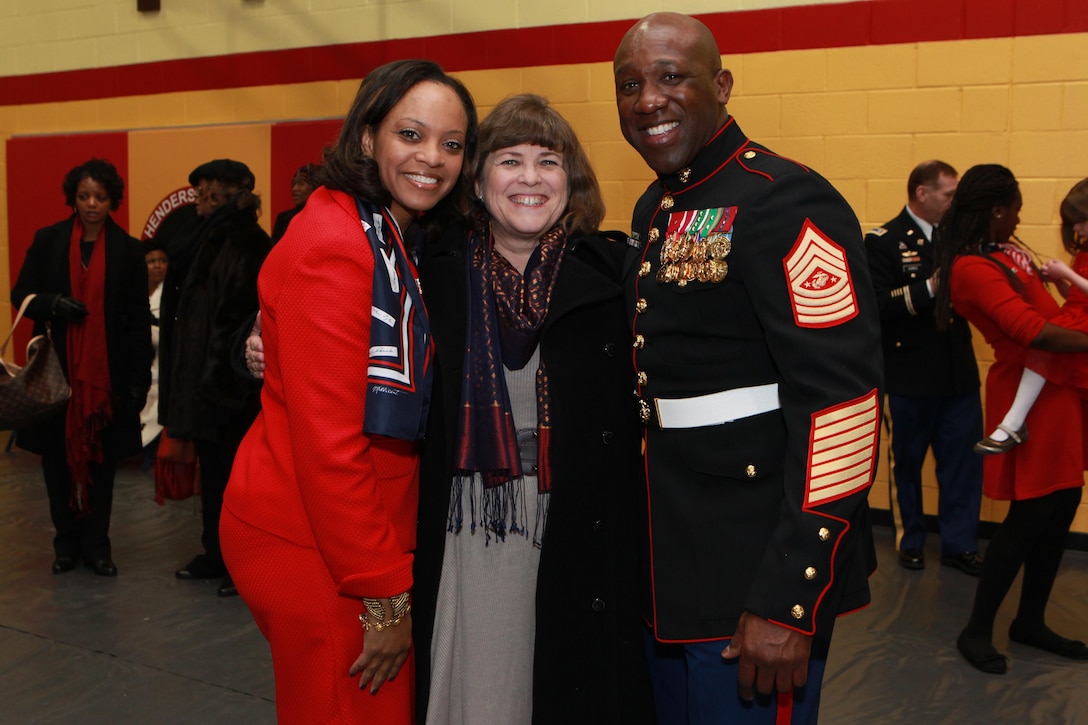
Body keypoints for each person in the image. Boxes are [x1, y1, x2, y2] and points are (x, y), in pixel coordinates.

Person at [613, 13, 883, 723]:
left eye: (672, 77)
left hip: (754, 572)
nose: (648, 99)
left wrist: (791, 597)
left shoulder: (785, 199)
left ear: (722, 85)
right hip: (673, 559)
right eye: (630, 85)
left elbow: (844, 408)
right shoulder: (657, 204)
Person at [220, 60, 477, 723]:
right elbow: (330, 445)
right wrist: (384, 597)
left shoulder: (382, 228)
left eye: (451, 143)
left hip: (338, 533)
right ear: (367, 136)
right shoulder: (338, 244)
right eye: (411, 135)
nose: (433, 157)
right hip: (317, 545)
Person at [412, 94, 654, 724]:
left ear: (571, 181)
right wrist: (259, 337)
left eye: (549, 161)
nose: (530, 177)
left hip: (579, 524)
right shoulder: (430, 272)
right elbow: (348, 324)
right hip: (470, 523)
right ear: (477, 180)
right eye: (509, 160)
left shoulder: (615, 274)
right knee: (486, 692)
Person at [936, 165, 1088, 674]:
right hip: (1029, 388)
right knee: (1030, 516)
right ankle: (977, 628)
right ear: (997, 210)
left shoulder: (1005, 251)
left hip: (1059, 385)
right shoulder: (971, 267)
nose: (1021, 219)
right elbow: (1032, 332)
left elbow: (1055, 313)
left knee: (1062, 504)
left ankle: (1030, 620)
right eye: (1016, 210)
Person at [11, 158, 152, 577]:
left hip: (106, 379)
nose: (92, 204)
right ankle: (65, 545)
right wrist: (52, 304)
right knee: (56, 463)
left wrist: (138, 380)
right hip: (56, 375)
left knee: (101, 464)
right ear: (73, 199)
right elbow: (21, 294)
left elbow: (138, 320)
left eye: (101, 197)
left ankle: (96, 546)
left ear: (113, 201)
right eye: (84, 196)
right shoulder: (49, 240)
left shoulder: (129, 250)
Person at [864, 160, 984, 575]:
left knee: (963, 464)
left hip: (957, 373)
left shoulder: (960, 240)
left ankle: (960, 544)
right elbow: (876, 305)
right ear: (922, 193)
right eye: (949, 195)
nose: (954, 203)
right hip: (908, 376)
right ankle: (911, 539)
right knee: (907, 464)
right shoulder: (883, 241)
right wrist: (930, 287)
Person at [166, 159, 270, 598]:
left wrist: (220, 386)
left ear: (228, 193)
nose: (198, 198)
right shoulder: (205, 236)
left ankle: (240, 565)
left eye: (205, 190)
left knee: (236, 483)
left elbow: (237, 321)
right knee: (214, 479)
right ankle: (216, 554)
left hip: (231, 390)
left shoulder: (248, 242)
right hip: (207, 387)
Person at [974, 177, 1088, 453]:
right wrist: (1060, 282)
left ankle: (1013, 422)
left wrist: (1067, 273)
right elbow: (1078, 295)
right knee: (1042, 350)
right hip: (1077, 314)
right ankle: (1013, 422)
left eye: (1083, 221)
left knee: (1044, 350)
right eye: (1074, 223)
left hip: (1081, 320)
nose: (1077, 229)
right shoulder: (1084, 253)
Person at [139, 240, 168, 464]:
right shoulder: (134, 293)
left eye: (162, 260)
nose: (157, 265)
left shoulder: (172, 295)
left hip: (162, 368)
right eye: (151, 261)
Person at [270, 163, 319, 243]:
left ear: (315, 187)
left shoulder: (323, 219)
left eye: (301, 184)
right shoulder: (283, 219)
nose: (294, 189)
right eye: (293, 184)